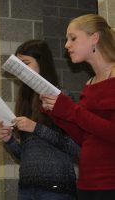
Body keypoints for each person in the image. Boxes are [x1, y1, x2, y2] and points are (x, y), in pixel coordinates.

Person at [40, 14, 115, 200]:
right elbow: (84, 137)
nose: (67, 45)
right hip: (87, 184)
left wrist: (70, 109)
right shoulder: (89, 83)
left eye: (73, 38)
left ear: (94, 38)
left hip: (110, 182)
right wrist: (57, 113)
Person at [0, 40, 80, 200]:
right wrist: (9, 141)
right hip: (27, 189)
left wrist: (36, 128)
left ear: (42, 63)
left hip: (56, 189)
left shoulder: (61, 96)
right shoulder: (25, 101)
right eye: (18, 65)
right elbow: (27, 155)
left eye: (26, 63)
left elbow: (74, 147)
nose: (21, 70)